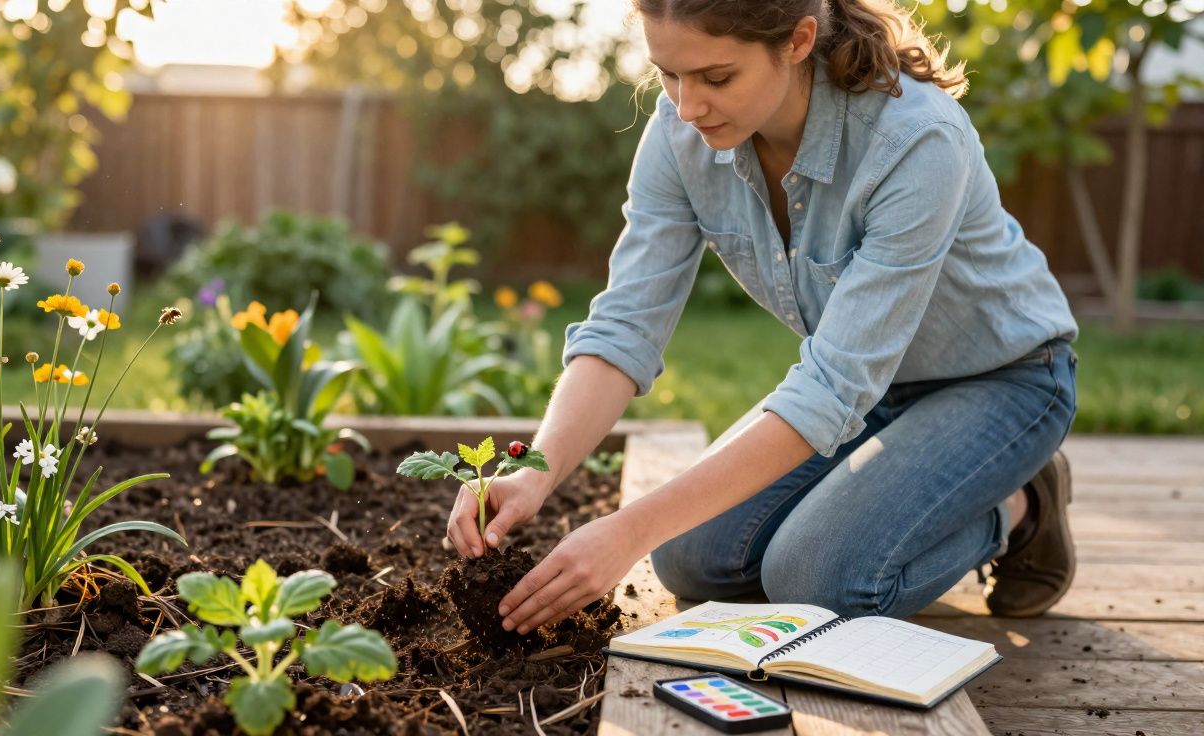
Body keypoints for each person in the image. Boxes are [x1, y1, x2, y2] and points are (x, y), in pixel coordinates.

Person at [446, 0, 1079, 635]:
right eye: (668, 74)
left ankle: (1020, 503)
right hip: (870, 391)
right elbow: (624, 325)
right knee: (688, 557)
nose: (687, 106)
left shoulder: (915, 139)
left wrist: (628, 530)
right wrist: (533, 472)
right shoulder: (678, 134)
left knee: (817, 581)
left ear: (799, 40)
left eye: (717, 77)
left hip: (1003, 380)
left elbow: (833, 385)